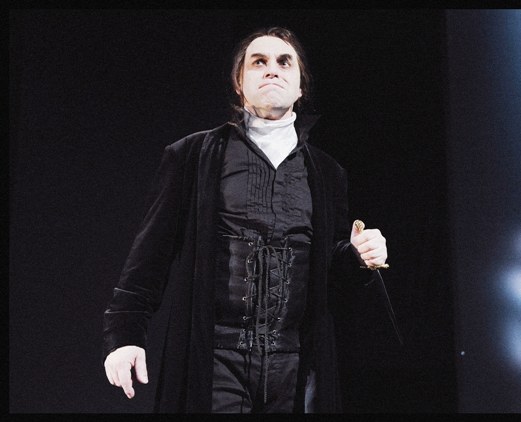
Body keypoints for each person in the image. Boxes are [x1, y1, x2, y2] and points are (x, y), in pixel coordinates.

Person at [103, 26, 389, 413]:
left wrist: (358, 256)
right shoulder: (193, 156)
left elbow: (331, 281)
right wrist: (124, 335)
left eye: (284, 62)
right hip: (216, 360)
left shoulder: (326, 173)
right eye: (258, 62)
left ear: (300, 87)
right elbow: (149, 256)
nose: (272, 69)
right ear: (239, 84)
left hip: (294, 366)